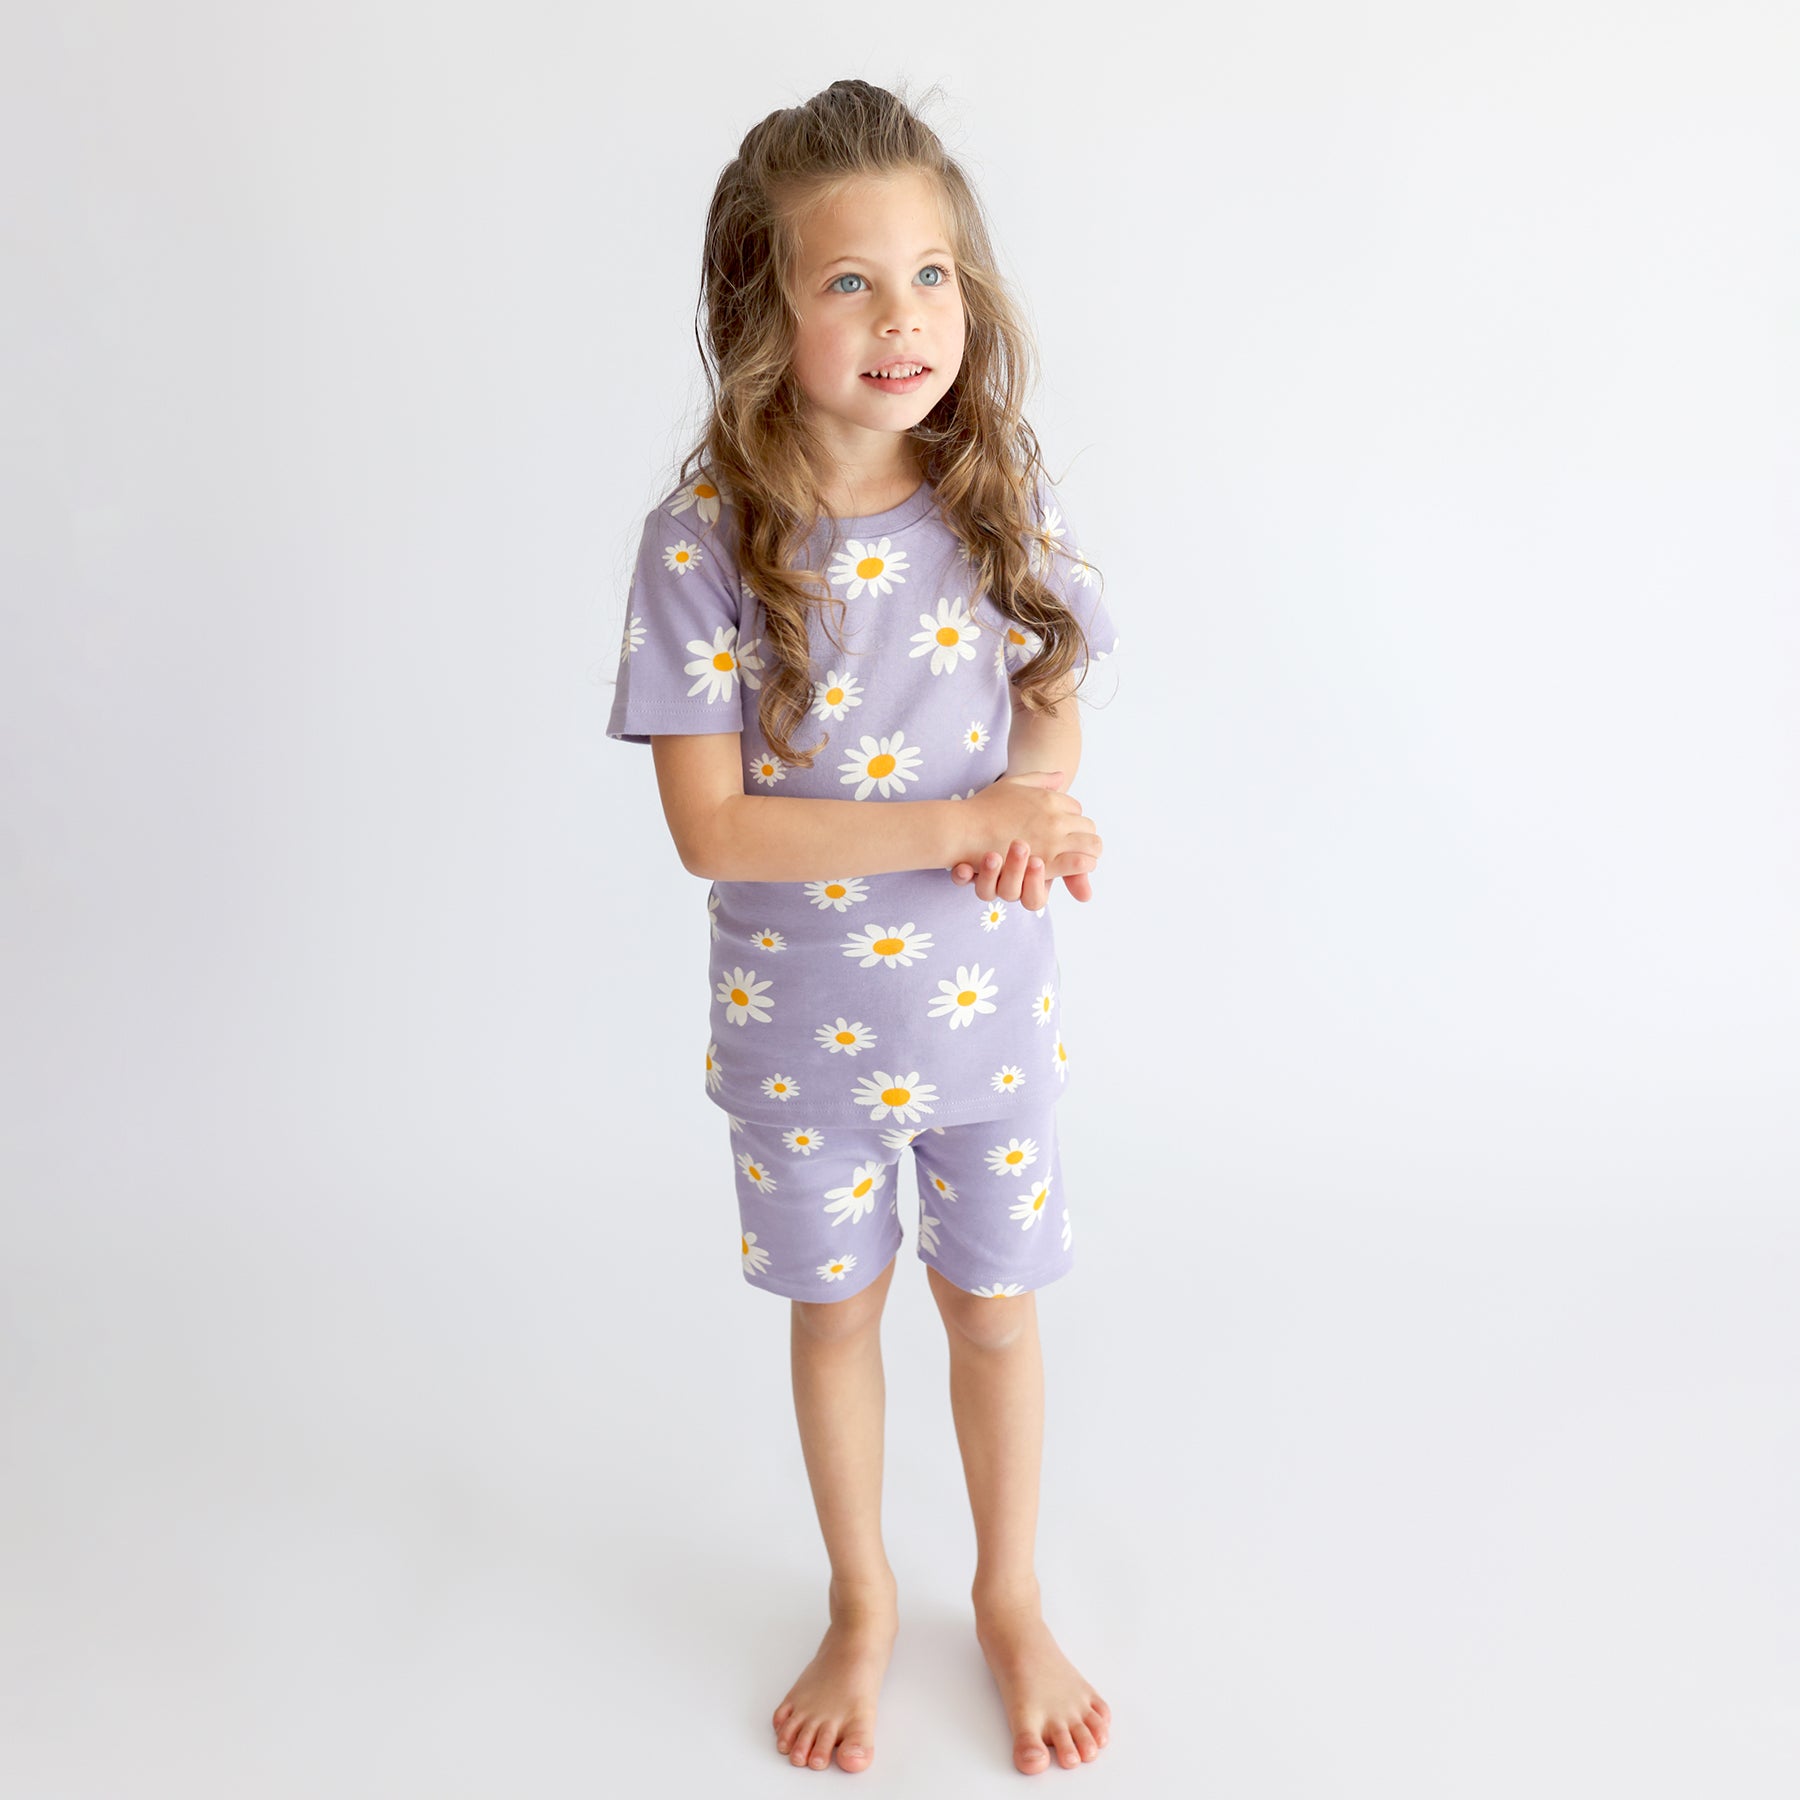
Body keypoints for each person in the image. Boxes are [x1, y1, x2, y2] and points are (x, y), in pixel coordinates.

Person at [606, 78, 1121, 1777]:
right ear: (762, 310)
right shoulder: (705, 544)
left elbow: (1049, 687)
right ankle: (863, 1601)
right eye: (850, 282)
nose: (905, 319)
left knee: (994, 1311)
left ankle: (1009, 1596)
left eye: (932, 277)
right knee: (837, 1315)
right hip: (800, 1036)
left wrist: (1036, 802)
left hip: (987, 1015)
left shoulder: (995, 493)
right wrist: (966, 820)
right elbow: (713, 827)